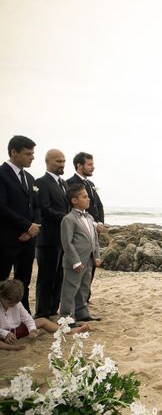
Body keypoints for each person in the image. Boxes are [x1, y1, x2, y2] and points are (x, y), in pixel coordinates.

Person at [0, 135, 40, 314]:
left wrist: (33, 228)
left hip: (28, 239)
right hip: (6, 239)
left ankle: (24, 320)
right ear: (13, 152)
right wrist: (25, 226)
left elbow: (36, 207)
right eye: (28, 153)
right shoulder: (1, 174)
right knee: (1, 281)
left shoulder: (30, 179)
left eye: (32, 153)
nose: (32, 157)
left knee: (24, 282)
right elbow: (1, 206)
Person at [1, 278, 90, 350]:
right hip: (3, 335)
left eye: (15, 302)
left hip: (16, 330)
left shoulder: (17, 303)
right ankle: (12, 348)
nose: (13, 305)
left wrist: (32, 329)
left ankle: (68, 331)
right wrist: (5, 333)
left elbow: (27, 317)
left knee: (42, 320)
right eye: (10, 302)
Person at [59, 185, 102, 324]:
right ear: (74, 201)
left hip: (88, 259)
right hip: (75, 261)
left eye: (87, 196)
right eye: (84, 197)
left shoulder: (89, 217)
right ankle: (66, 317)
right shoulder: (69, 219)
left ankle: (82, 313)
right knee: (70, 288)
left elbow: (94, 239)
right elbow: (67, 242)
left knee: (84, 287)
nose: (88, 199)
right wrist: (75, 261)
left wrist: (96, 256)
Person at [34, 149, 69, 318]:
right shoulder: (41, 182)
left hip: (63, 239)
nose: (62, 164)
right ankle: (42, 312)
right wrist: (69, 218)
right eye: (58, 161)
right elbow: (45, 210)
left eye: (63, 161)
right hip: (48, 239)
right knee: (46, 278)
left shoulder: (64, 184)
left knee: (60, 276)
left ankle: (53, 310)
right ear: (47, 162)